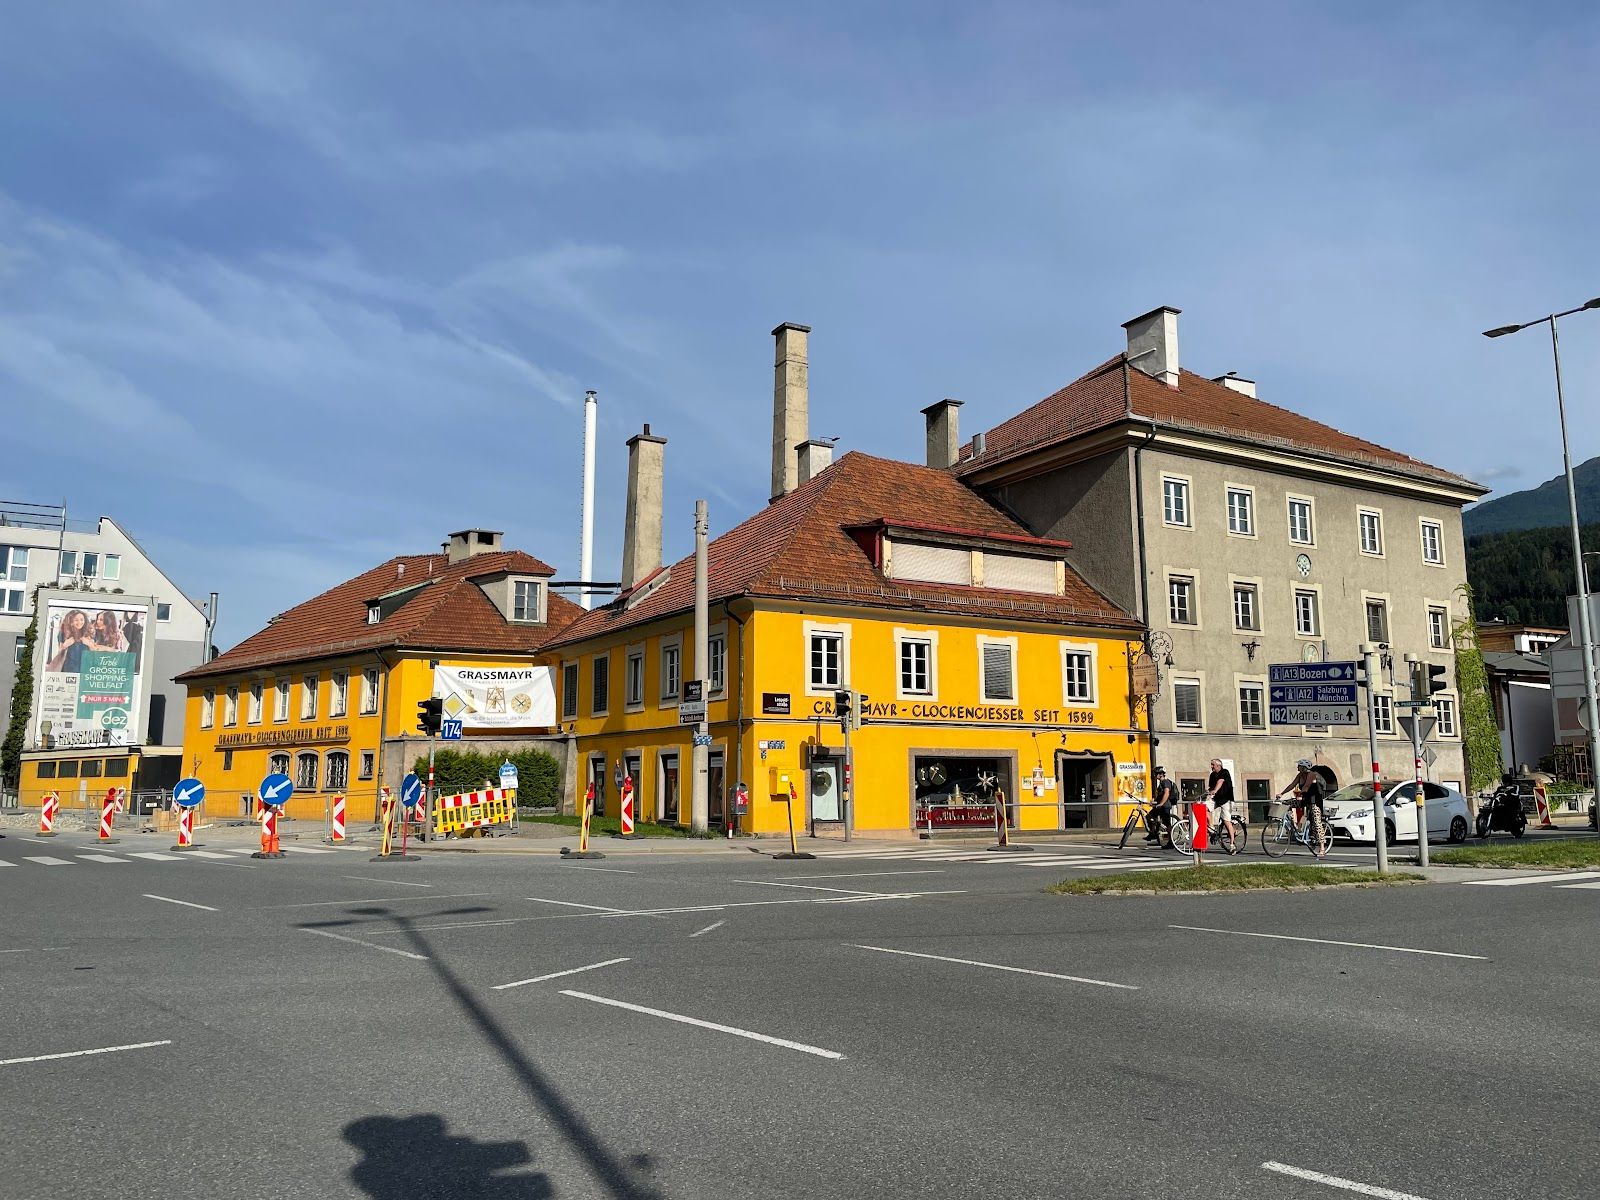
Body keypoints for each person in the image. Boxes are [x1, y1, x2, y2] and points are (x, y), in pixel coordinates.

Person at [1276, 758, 1327, 850]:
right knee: (1286, 804)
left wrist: (1301, 795)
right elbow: (1292, 785)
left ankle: (1322, 846)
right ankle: (1295, 827)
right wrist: (1282, 793)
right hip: (1304, 799)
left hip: (1314, 800)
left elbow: (1307, 786)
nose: (1297, 767)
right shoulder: (1300, 775)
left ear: (1304, 767)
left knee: (1316, 822)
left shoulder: (1312, 775)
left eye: (1299, 765)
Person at [1206, 758, 1236, 848]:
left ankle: (1232, 844)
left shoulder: (1224, 772)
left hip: (1226, 799)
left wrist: (1215, 790)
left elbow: (1220, 782)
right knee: (1204, 807)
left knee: (1226, 821)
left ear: (1218, 766)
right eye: (1211, 765)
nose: (1211, 767)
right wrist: (1207, 793)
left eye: (1213, 765)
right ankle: (1211, 827)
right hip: (1216, 799)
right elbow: (1211, 787)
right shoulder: (1212, 775)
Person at [1145, 766, 1178, 845]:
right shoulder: (1161, 783)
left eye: (1156, 773)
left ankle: (1171, 842)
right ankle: (1153, 834)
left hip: (1165, 806)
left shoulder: (1165, 782)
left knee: (1167, 825)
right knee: (1149, 816)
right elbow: (1160, 796)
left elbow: (1166, 793)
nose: (1155, 775)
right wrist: (1154, 801)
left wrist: (1161, 804)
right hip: (1161, 805)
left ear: (1161, 774)